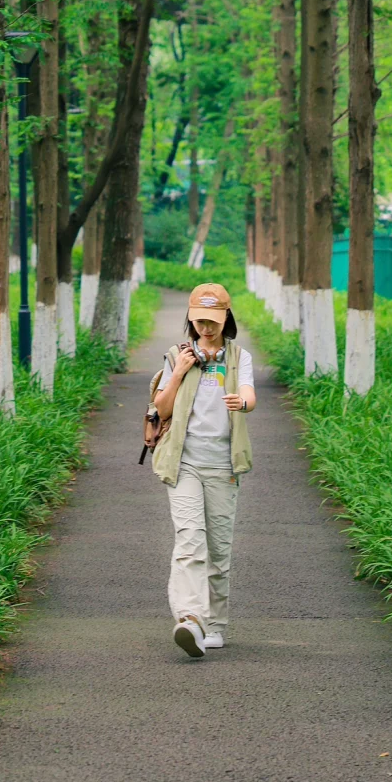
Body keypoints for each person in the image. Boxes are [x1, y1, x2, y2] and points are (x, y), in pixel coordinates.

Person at [151, 281, 254, 658]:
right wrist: (178, 371)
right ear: (190, 320)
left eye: (212, 321)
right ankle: (190, 618)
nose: (205, 328)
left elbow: (250, 395)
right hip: (185, 462)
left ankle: (216, 624)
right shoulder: (176, 355)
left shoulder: (238, 357)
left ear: (226, 319)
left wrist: (241, 402)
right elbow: (161, 409)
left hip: (223, 464)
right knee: (190, 539)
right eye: (199, 321)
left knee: (218, 550)